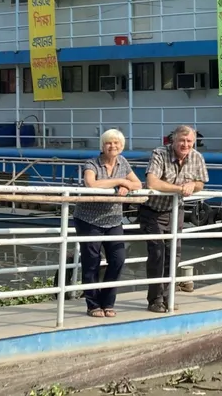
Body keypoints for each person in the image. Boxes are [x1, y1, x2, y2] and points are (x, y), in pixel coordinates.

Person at [143, 125, 209, 313]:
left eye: (189, 141)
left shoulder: (196, 157)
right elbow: (152, 182)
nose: (185, 144)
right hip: (153, 210)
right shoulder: (160, 153)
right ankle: (155, 300)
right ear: (173, 140)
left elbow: (201, 183)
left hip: (175, 210)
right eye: (182, 140)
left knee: (174, 255)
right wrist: (180, 189)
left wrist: (192, 185)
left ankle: (167, 296)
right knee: (157, 254)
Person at [77, 128, 140, 318]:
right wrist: (120, 181)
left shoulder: (123, 162)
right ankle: (93, 305)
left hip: (113, 219)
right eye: (108, 143)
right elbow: (91, 184)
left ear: (122, 146)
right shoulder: (92, 163)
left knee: (118, 259)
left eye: (116, 143)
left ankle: (108, 302)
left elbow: (138, 184)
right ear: (102, 146)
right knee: (91, 262)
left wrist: (126, 185)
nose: (112, 146)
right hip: (89, 219)